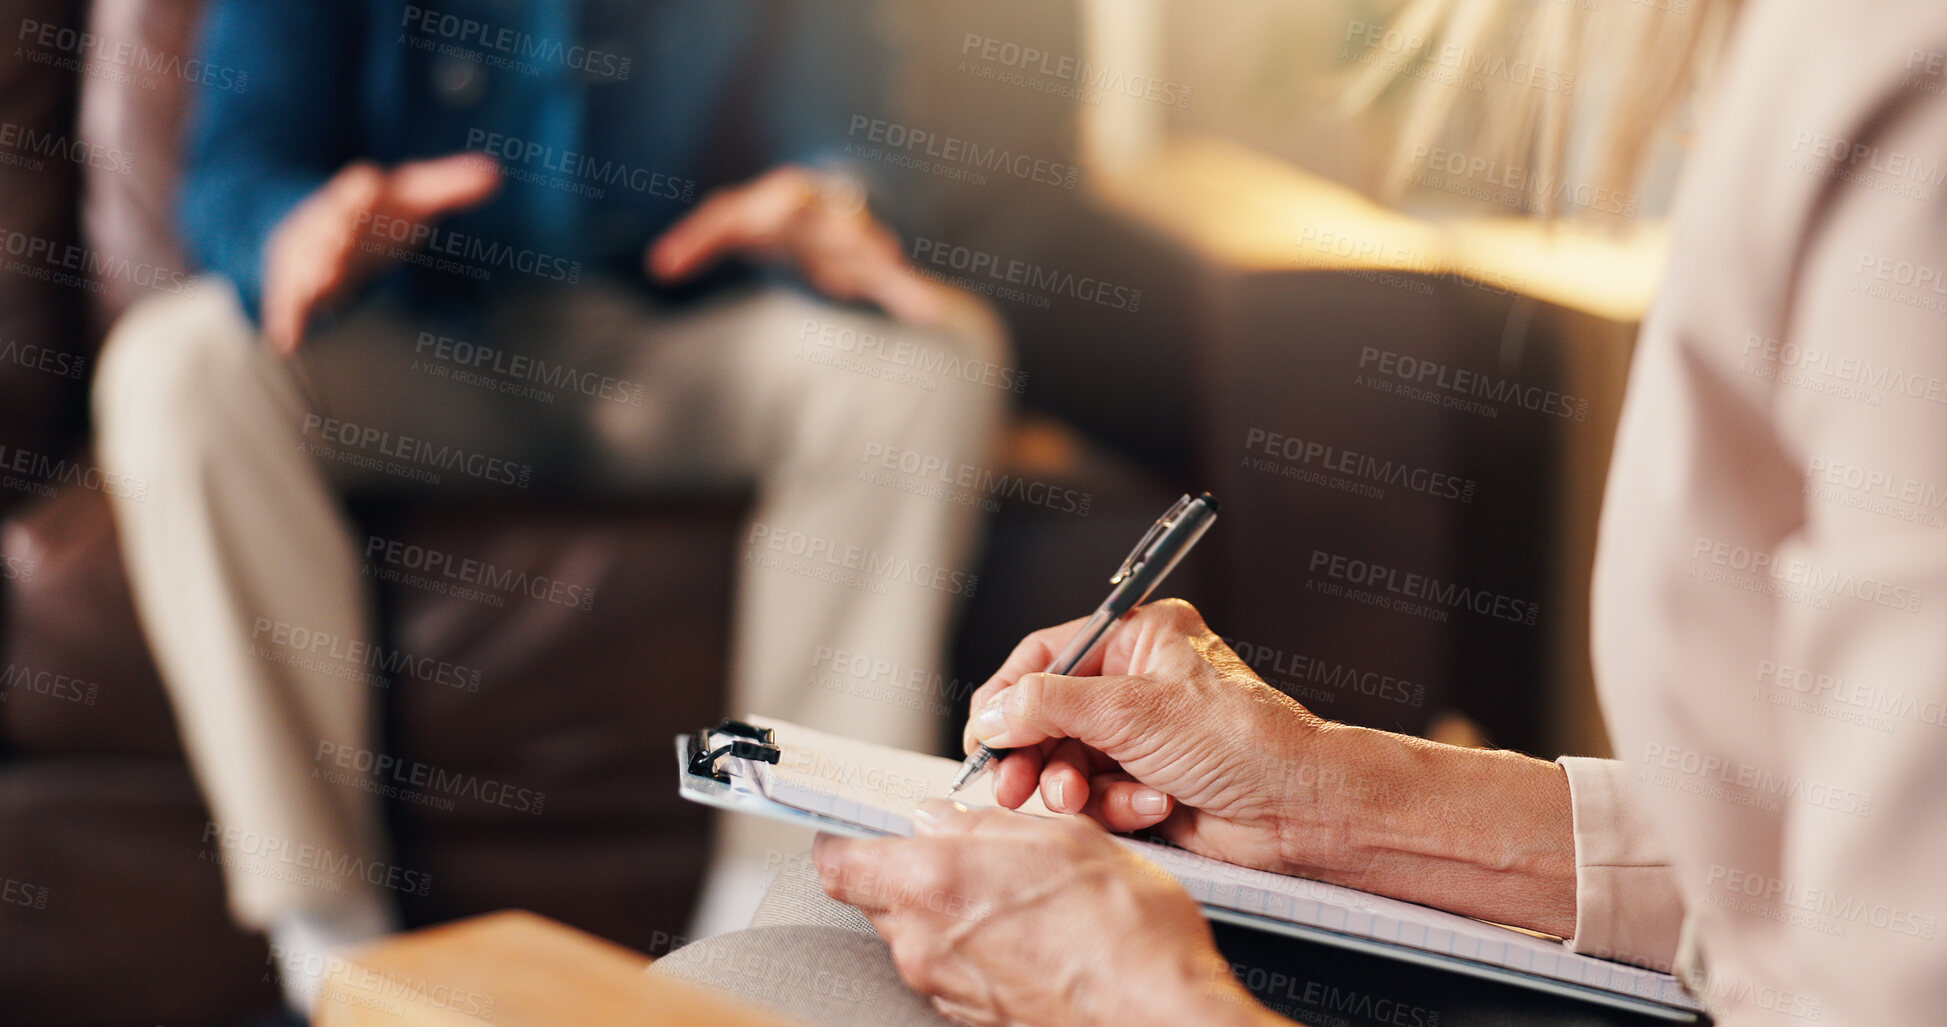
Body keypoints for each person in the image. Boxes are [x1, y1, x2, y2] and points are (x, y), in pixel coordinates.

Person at [805, 1, 1947, 1024]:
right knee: (800, 953)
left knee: (801, 978)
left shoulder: (1903, 102)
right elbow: (1801, 872)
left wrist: (1134, 997)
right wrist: (1329, 799)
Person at [90, 0, 1007, 1011]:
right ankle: (332, 951)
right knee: (173, 366)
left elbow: (848, 129)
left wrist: (833, 204)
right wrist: (298, 227)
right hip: (409, 350)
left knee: (932, 360)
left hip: (676, 350)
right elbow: (235, 166)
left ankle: (775, 934)